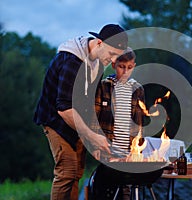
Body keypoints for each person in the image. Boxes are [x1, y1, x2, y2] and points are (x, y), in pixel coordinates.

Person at [33, 24, 128, 200]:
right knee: (67, 172)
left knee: (77, 173)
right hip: (55, 119)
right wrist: (92, 136)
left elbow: (89, 103)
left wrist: (97, 139)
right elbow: (64, 109)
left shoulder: (98, 64)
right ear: (99, 43)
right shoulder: (71, 62)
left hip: (77, 120)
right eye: (112, 54)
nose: (114, 61)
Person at [90, 47, 145, 199]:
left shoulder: (137, 89)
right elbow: (95, 117)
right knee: (107, 187)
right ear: (114, 65)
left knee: (126, 188)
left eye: (129, 68)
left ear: (134, 66)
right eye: (121, 67)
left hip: (127, 149)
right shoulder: (103, 86)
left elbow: (138, 122)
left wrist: (138, 149)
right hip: (107, 146)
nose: (125, 71)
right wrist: (95, 145)